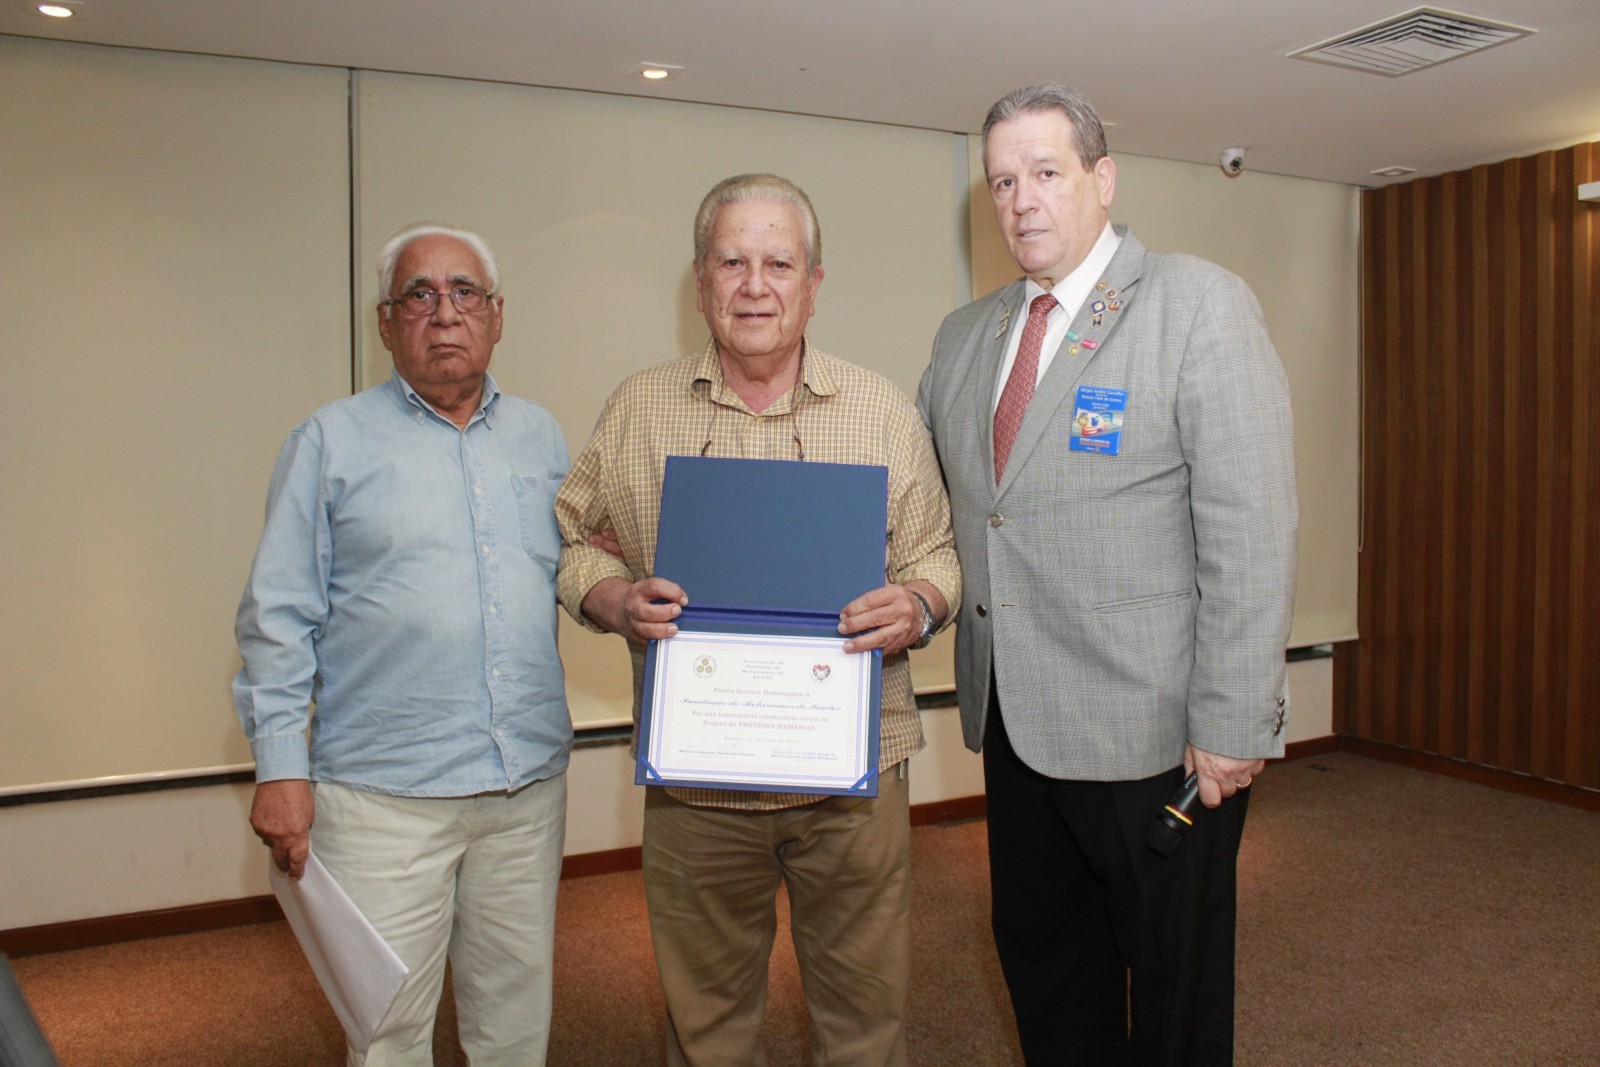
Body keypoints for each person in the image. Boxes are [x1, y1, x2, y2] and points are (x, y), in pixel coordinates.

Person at [917, 86, 1298, 1065]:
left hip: (1156, 738)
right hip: (1014, 725)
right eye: (1003, 181)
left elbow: (1251, 530)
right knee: (1047, 972)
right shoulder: (963, 339)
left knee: (1173, 994)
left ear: (1102, 179)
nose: (1021, 200)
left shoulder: (1195, 305)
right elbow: (940, 511)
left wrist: (1233, 719)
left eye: (1045, 172)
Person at [555, 173, 960, 1065]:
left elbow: (939, 557)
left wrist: (918, 604)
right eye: (732, 262)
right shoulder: (637, 407)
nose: (754, 285)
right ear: (700, 282)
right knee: (707, 1032)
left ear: (813, 284)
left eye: (779, 264)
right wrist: (613, 598)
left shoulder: (882, 411)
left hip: (852, 785)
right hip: (697, 786)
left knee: (864, 1027)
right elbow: (574, 540)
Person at [234, 222, 572, 1066]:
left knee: (516, 1022)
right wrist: (280, 766)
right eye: (419, 294)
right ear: (385, 324)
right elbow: (278, 615)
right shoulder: (329, 442)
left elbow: (575, 573)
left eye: (465, 293)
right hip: (383, 797)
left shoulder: (542, 438)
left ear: (497, 315)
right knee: (386, 1032)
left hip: (523, 789)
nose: (444, 313)